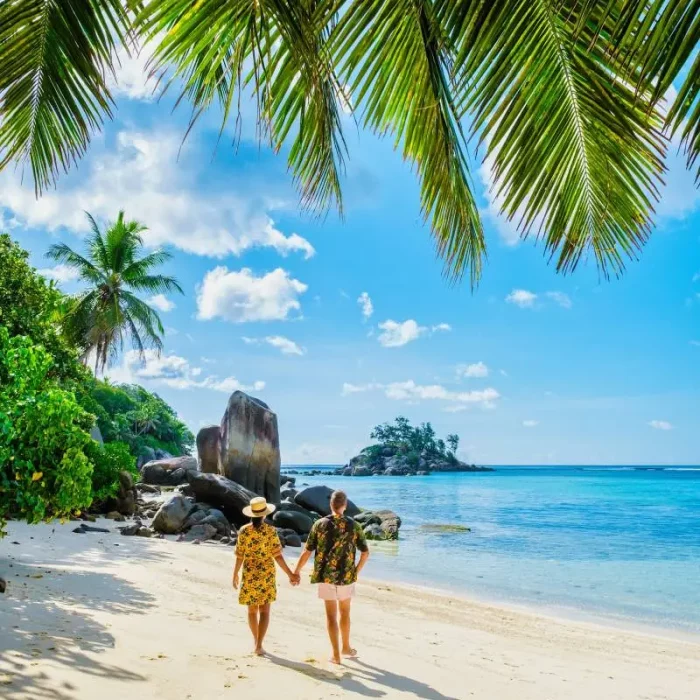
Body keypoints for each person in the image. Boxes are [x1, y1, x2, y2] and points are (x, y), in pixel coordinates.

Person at [294, 490, 369, 664]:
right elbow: (365, 553)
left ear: (331, 504)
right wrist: (355, 572)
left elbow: (307, 551)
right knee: (345, 612)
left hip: (326, 576)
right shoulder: (353, 525)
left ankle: (336, 655)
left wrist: (296, 571)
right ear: (345, 505)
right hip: (346, 576)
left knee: (330, 616)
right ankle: (346, 647)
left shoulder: (319, 524)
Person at [233, 497, 299, 656]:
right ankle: (259, 645)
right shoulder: (270, 531)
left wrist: (235, 573)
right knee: (264, 611)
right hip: (266, 574)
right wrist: (291, 574)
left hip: (249, 573)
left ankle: (256, 642)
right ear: (264, 515)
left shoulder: (243, 530)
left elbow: (239, 555)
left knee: (251, 611)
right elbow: (277, 556)